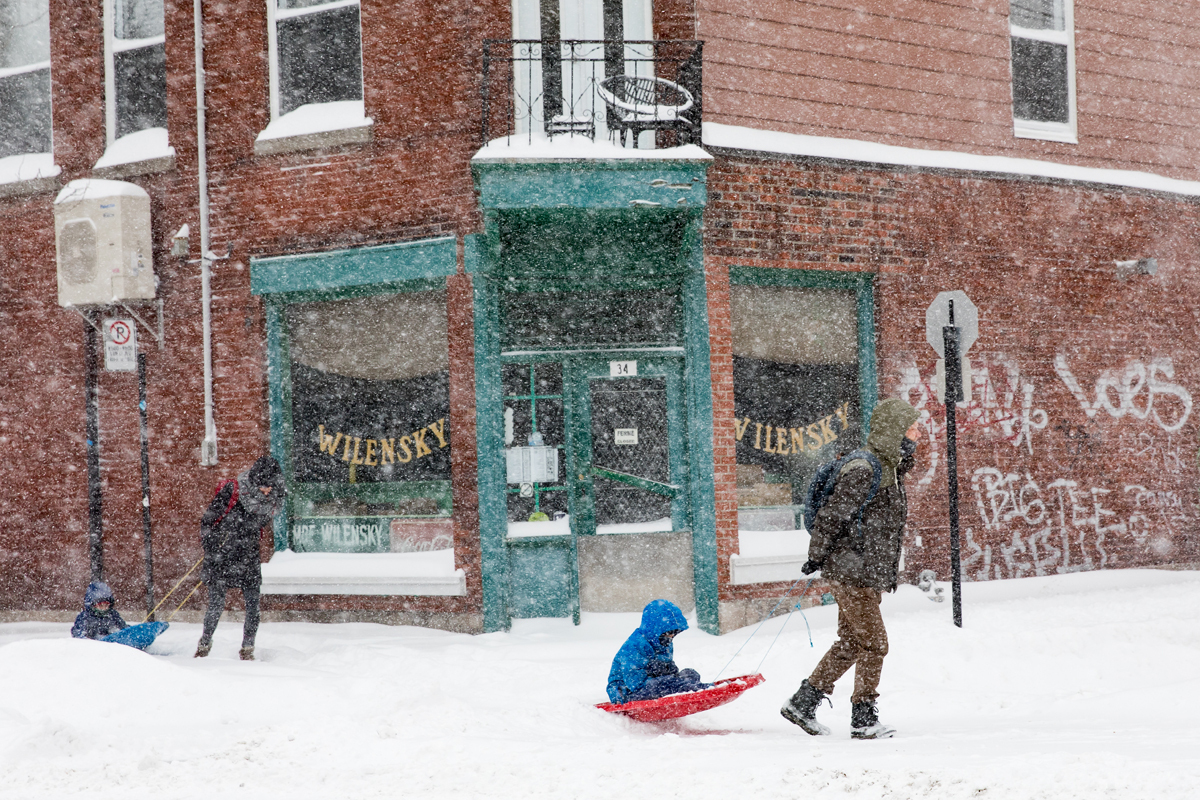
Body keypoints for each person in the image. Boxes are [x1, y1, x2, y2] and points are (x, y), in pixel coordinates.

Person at [781, 397, 921, 740]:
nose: (918, 432)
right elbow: (832, 515)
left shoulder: (890, 469)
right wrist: (817, 555)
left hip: (865, 571)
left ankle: (804, 702)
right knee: (875, 643)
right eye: (912, 426)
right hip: (851, 571)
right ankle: (863, 717)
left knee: (852, 641)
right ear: (894, 430)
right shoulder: (865, 468)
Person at [195, 455, 286, 661]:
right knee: (216, 604)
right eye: (262, 486)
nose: (266, 490)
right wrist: (213, 549)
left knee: (253, 605)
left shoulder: (272, 498)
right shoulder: (233, 491)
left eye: (270, 486)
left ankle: (248, 649)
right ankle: (204, 644)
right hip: (222, 555)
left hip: (249, 555)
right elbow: (207, 521)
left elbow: (258, 526)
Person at [607, 599, 709, 704]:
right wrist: (666, 678)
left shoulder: (663, 642)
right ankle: (693, 689)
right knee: (666, 685)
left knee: (690, 674)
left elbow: (669, 670)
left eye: (674, 632)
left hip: (655, 683)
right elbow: (635, 683)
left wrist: (671, 674)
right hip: (628, 693)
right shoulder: (634, 646)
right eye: (668, 632)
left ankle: (690, 687)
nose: (671, 636)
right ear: (655, 629)